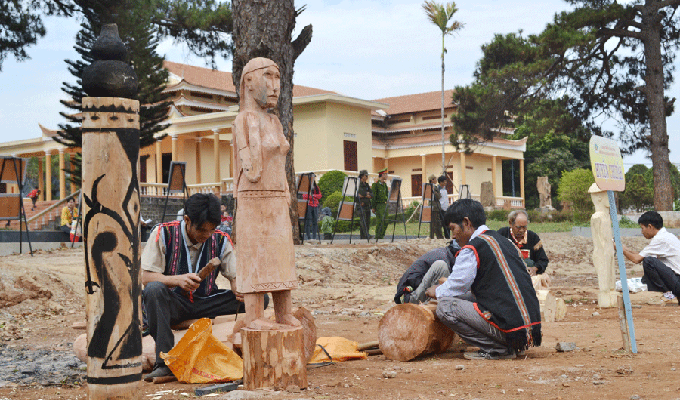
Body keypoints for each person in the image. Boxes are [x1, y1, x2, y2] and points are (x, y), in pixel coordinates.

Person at [141, 193, 256, 381]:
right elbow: (146, 277)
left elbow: (235, 276)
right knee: (153, 290)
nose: (207, 235)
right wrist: (177, 280)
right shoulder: (163, 233)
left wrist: (238, 288)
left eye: (212, 230)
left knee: (258, 298)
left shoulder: (221, 239)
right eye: (202, 230)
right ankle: (165, 363)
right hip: (173, 303)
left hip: (205, 302)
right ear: (187, 220)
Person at [425, 199, 541, 360]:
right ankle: (513, 344)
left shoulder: (473, 247)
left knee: (445, 307)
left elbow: (457, 286)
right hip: (529, 328)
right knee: (462, 298)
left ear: (466, 222)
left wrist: (436, 291)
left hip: (510, 327)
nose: (453, 235)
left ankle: (499, 349)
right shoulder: (504, 241)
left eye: (453, 228)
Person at [233, 57, 299, 331]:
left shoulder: (274, 121)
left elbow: (281, 164)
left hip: (276, 199)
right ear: (248, 82)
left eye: (278, 78)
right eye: (267, 77)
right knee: (256, 258)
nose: (275, 86)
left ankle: (284, 312)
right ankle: (253, 316)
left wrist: (285, 191)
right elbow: (251, 168)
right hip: (253, 200)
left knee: (281, 258)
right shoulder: (243, 120)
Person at [618, 211, 680, 305]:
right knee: (648, 259)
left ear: (650, 226)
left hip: (678, 281)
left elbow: (637, 259)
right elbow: (641, 254)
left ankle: (668, 294)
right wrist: (625, 249)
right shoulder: (666, 236)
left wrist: (621, 250)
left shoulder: (660, 239)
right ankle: (672, 294)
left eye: (642, 228)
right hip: (677, 279)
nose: (642, 232)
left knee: (648, 261)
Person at [394, 239, 460, 304]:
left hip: (415, 293)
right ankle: (431, 305)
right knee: (441, 267)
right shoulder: (443, 259)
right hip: (410, 296)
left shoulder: (445, 254)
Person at [497, 210, 549, 276]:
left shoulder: (533, 237)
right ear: (510, 223)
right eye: (518, 227)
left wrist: (534, 269)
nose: (522, 230)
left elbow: (543, 260)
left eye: (524, 227)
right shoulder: (502, 235)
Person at [372, 168, 389, 240]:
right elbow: (374, 197)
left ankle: (382, 235)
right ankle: (378, 236)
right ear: (382, 175)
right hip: (379, 205)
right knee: (380, 221)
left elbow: (386, 195)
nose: (387, 176)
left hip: (385, 205)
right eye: (386, 174)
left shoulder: (385, 185)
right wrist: (373, 207)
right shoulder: (375, 184)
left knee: (386, 220)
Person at [303, 176, 322, 242]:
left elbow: (320, 196)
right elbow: (305, 196)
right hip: (308, 206)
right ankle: (308, 237)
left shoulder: (316, 187)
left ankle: (314, 237)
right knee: (308, 222)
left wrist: (312, 196)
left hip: (315, 206)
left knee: (315, 222)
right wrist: (313, 197)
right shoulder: (305, 187)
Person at [357, 170, 372, 240]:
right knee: (363, 221)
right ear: (362, 176)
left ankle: (363, 237)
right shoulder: (358, 184)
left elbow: (372, 194)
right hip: (361, 205)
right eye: (366, 176)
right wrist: (366, 194)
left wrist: (366, 194)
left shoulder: (366, 185)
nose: (367, 177)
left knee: (367, 221)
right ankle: (366, 235)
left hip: (367, 205)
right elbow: (359, 194)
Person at [428, 175, 443, 239]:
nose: (436, 180)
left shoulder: (436, 187)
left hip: (437, 207)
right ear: (432, 180)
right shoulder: (428, 187)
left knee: (438, 223)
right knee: (433, 223)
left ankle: (439, 236)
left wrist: (434, 191)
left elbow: (439, 196)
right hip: (432, 207)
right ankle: (432, 236)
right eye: (435, 179)